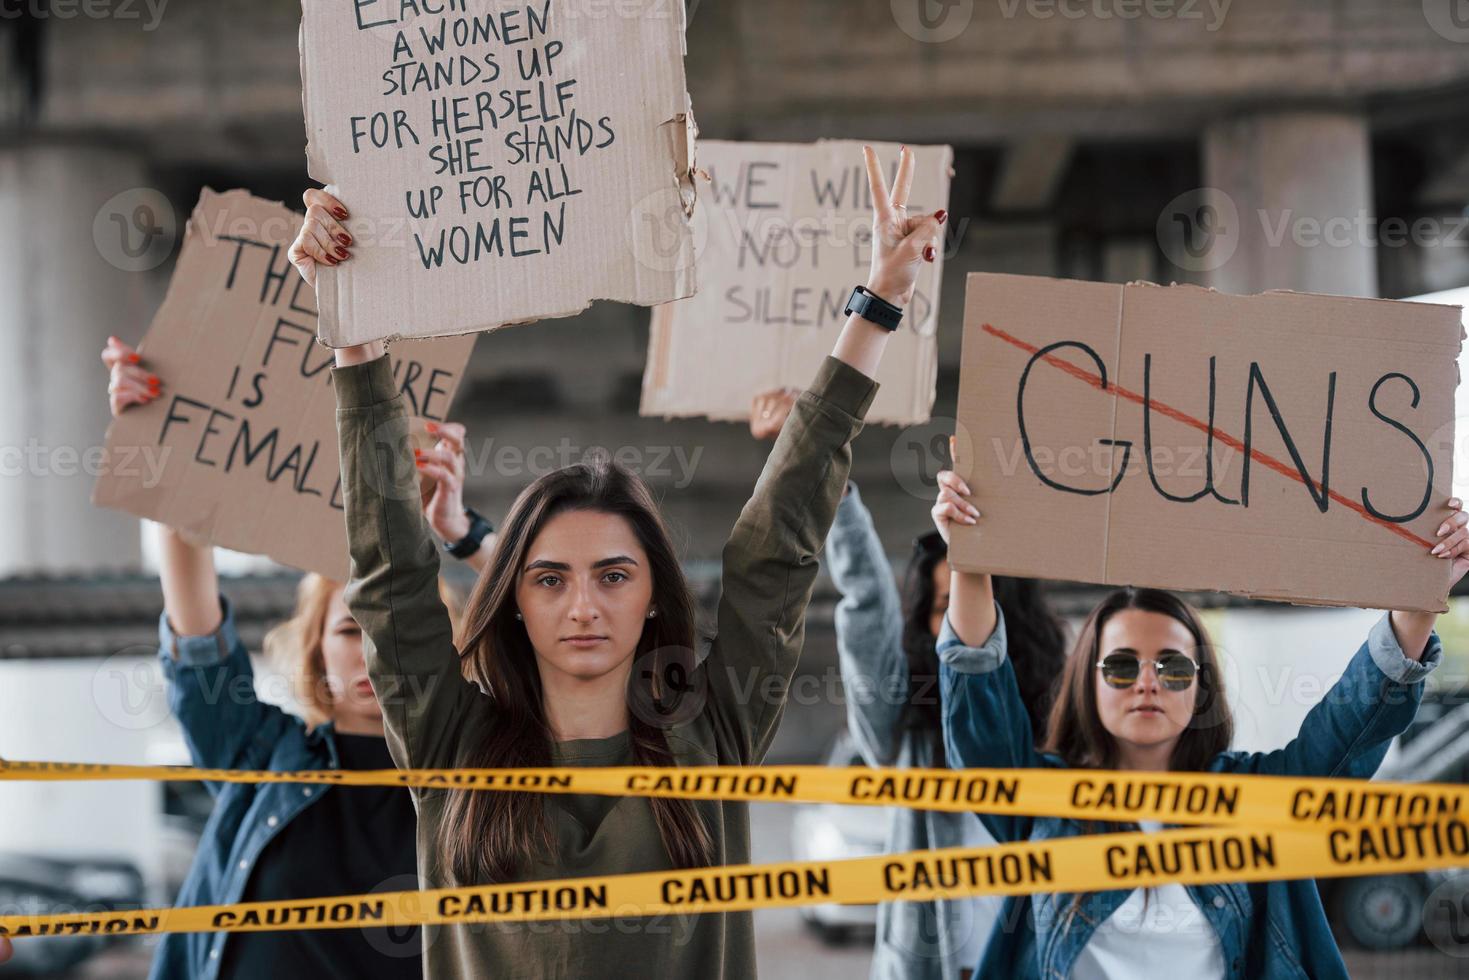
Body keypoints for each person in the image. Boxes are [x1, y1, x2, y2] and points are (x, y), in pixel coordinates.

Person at [289, 146, 946, 977]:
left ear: (651, 599)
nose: (583, 607)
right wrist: (355, 336)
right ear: (514, 602)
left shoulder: (712, 735)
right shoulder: (451, 741)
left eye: (613, 575)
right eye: (549, 579)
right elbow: (389, 573)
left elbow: (774, 549)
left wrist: (878, 303)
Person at [930, 461, 1466, 979]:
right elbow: (978, 703)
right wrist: (970, 558)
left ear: (1201, 687)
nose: (1147, 681)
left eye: (1173, 666)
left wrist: (1417, 600)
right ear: (1087, 686)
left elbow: (1348, 730)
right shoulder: (1039, 801)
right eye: (1120, 666)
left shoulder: (1255, 802)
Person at [101, 336, 487, 980]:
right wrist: (156, 445)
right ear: (314, 652)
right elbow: (198, 640)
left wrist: (463, 533)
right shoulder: (260, 754)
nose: (373, 653)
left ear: (441, 650)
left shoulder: (479, 782)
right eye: (347, 631)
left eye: (395, 636)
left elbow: (560, 626)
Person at [750, 394, 1066, 979]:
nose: (956, 622)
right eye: (942, 606)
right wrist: (820, 465)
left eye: (975, 597)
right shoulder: (904, 730)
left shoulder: (1059, 724)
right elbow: (868, 598)